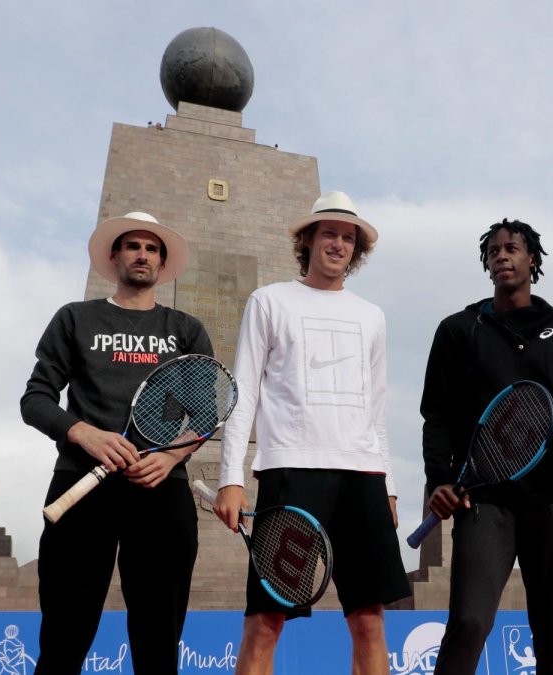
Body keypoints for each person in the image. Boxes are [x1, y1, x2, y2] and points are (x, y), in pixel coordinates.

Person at [213, 191, 410, 675]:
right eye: (329, 234)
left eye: (348, 238)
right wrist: (229, 478)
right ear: (308, 240)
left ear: (356, 250)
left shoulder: (372, 316)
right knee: (266, 620)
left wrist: (388, 486)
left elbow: (376, 408)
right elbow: (244, 394)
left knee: (369, 621)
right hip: (291, 473)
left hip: (363, 477)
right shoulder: (269, 301)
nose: (338, 244)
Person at [421, 218, 553, 675]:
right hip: (483, 503)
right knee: (469, 622)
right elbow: (438, 416)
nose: (502, 255)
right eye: (493, 251)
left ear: (533, 260)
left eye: (513, 248)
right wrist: (439, 479)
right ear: (486, 264)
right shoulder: (457, 329)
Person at [21, 211, 213, 675]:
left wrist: (169, 456)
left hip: (160, 489)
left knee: (158, 642)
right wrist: (82, 432)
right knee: (64, 636)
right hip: (80, 485)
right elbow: (36, 399)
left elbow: (206, 413)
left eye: (152, 249)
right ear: (115, 256)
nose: (142, 255)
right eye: (133, 246)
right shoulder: (75, 318)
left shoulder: (185, 329)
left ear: (162, 265)